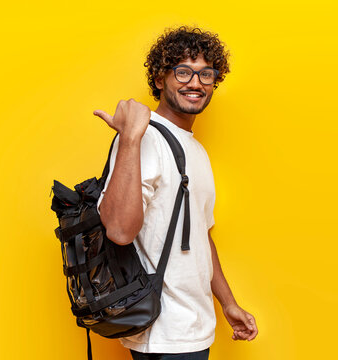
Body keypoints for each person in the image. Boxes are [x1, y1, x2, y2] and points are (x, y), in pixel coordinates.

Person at [94, 26, 258, 359]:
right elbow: (119, 231)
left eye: (206, 74)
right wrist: (129, 139)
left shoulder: (195, 149)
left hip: (195, 327)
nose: (196, 83)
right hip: (163, 333)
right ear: (159, 79)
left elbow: (201, 235)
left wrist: (228, 304)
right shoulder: (144, 138)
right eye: (183, 72)